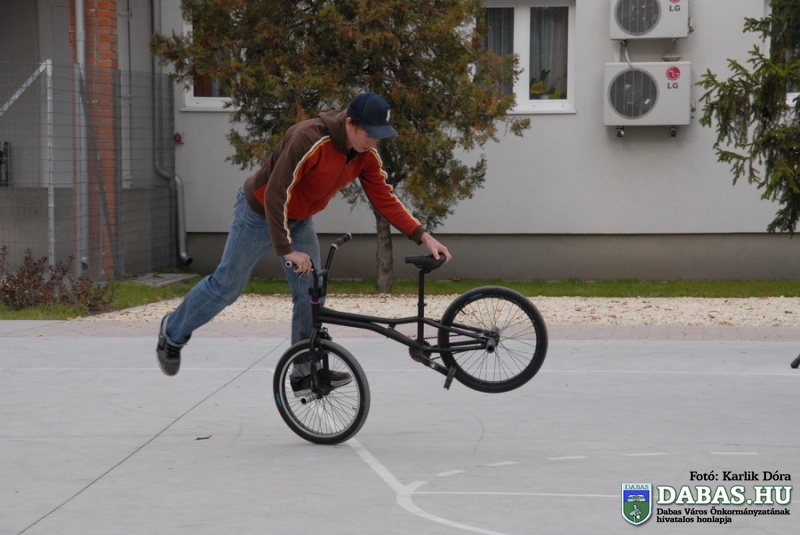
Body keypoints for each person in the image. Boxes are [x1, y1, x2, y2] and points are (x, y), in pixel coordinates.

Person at [156, 93, 451, 395]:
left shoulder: (365, 155)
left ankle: (303, 372)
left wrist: (423, 236)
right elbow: (275, 193)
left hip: (299, 218)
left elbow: (384, 197)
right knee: (226, 287)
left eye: (379, 136)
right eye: (369, 134)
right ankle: (172, 332)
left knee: (311, 293)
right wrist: (287, 250)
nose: (373, 143)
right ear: (350, 123)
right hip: (259, 212)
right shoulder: (309, 138)